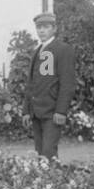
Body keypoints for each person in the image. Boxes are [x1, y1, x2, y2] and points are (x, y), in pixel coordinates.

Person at [23, 12, 77, 160]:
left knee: (48, 152)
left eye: (46, 27)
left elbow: (67, 84)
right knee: (39, 153)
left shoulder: (63, 49)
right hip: (36, 111)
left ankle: (52, 181)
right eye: (38, 27)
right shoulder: (36, 52)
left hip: (52, 112)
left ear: (54, 28)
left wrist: (61, 110)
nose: (41, 31)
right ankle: (44, 182)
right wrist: (26, 110)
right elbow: (30, 84)